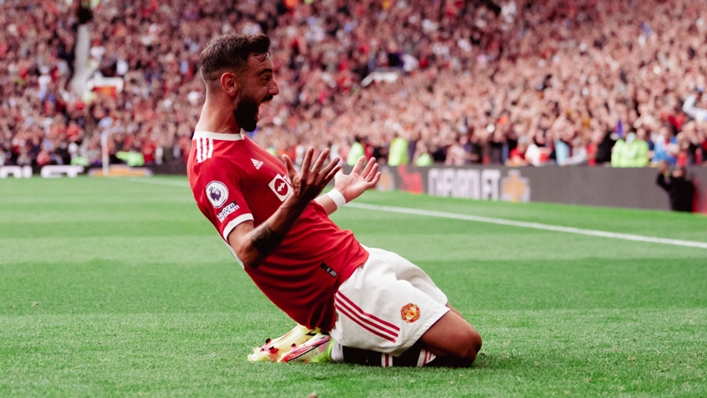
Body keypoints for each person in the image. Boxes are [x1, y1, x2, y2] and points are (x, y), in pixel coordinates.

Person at [186, 33, 482, 368]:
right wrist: (298, 200)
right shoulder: (212, 163)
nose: (275, 89)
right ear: (229, 83)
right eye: (265, 78)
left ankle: (336, 337)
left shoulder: (238, 143)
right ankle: (333, 346)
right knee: (464, 346)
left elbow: (293, 219)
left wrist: (340, 195)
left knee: (455, 324)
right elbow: (248, 250)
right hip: (338, 290)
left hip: (356, 257)